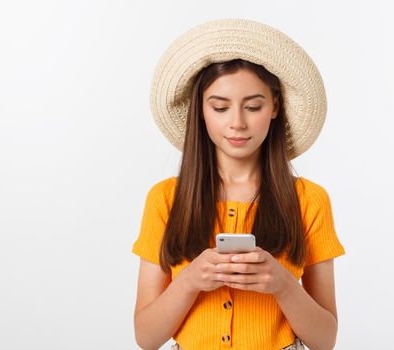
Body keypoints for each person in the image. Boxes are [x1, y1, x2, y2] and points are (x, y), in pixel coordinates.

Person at [132, 19, 346, 350]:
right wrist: (189, 282)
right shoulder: (165, 199)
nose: (236, 123)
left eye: (253, 106)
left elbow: (325, 340)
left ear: (275, 107)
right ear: (200, 111)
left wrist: (283, 285)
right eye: (219, 107)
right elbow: (146, 338)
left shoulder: (309, 200)